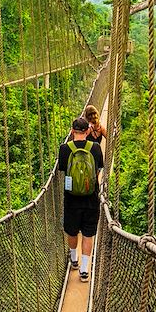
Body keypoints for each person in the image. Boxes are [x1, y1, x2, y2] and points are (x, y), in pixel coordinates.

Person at [58, 116, 104, 282]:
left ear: (72, 131)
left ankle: (74, 259)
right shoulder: (96, 148)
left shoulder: (64, 148)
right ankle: (85, 270)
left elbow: (63, 169)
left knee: (71, 230)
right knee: (88, 232)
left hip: (71, 198)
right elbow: (98, 169)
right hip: (91, 198)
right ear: (87, 131)